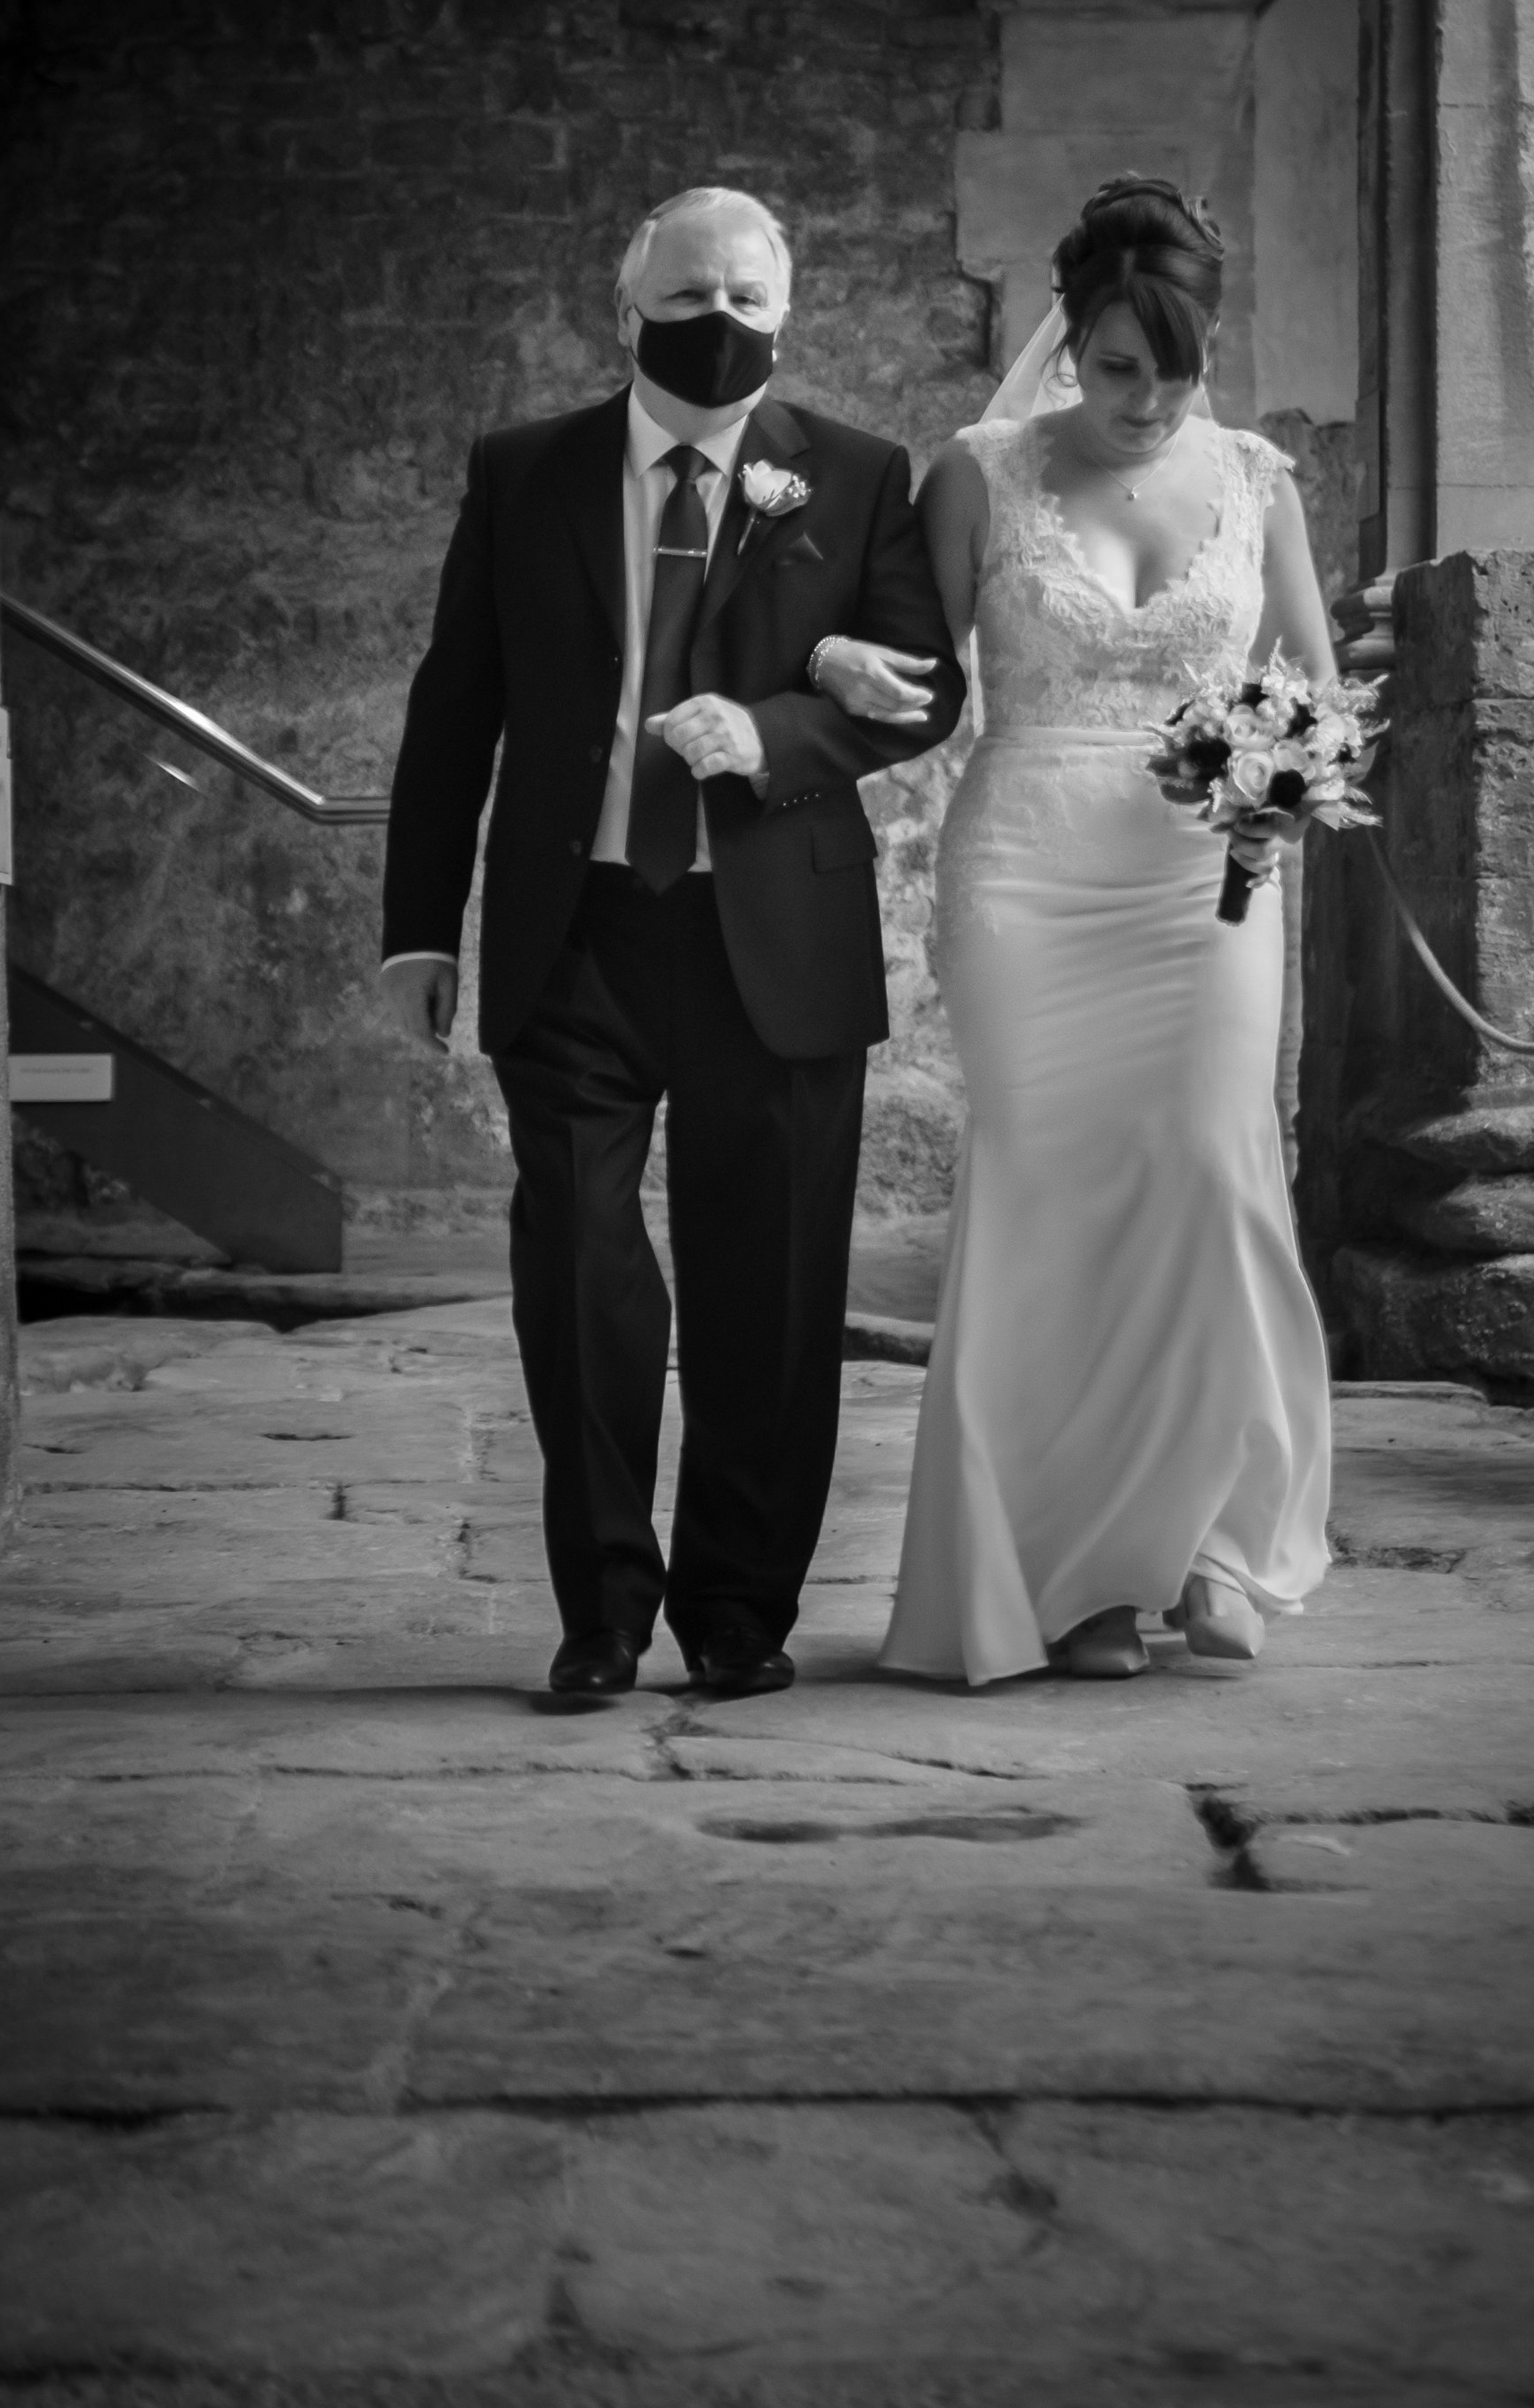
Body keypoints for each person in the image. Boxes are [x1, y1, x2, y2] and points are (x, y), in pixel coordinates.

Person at [381, 188, 967, 1702]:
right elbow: (455, 705)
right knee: (577, 1271)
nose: (725, 320)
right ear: (626, 308)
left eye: (751, 296)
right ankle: (601, 1613)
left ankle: (736, 1610)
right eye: (694, 293)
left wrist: (773, 730)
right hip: (572, 928)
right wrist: (416, 930)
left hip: (772, 932)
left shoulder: (855, 471)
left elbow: (925, 686)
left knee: (769, 1283)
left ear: (788, 308)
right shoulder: (525, 470)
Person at [811, 177, 1335, 1687]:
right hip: (1028, 877)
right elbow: (921, 678)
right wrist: (833, 662)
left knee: (1210, 1177)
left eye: (1176, 367)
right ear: (1070, 338)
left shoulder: (1258, 478)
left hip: (1207, 880)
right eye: (1117, 366)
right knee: (1050, 1201)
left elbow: (1314, 683)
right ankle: (1073, 1573)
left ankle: (1209, 1540)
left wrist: (1290, 793)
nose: (1147, 399)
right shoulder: (979, 472)